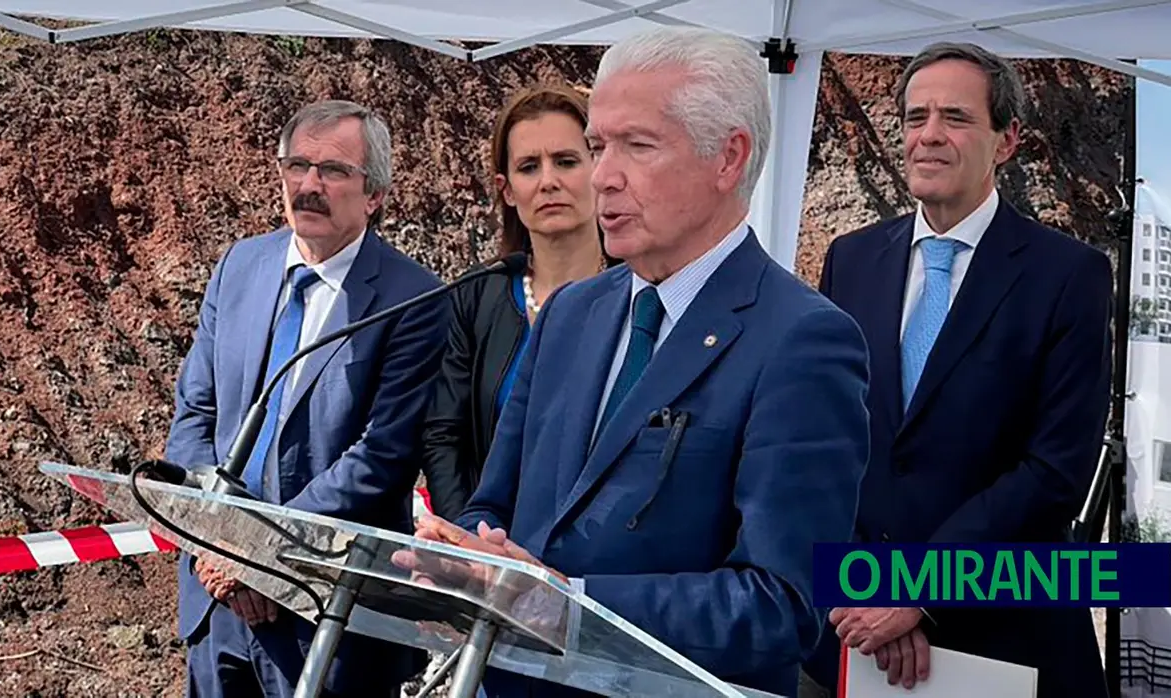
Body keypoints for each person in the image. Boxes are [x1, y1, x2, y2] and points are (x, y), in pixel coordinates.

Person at [405, 26, 871, 698]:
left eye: (638, 146)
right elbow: (496, 504)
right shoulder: (570, 313)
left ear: (728, 158)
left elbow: (782, 604)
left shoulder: (804, 340)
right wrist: (466, 560)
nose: (603, 176)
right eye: (597, 146)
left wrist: (572, 604)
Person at [808, 42, 1112, 697]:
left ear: (1007, 141)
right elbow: (825, 440)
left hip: (1008, 640)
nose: (929, 136)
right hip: (860, 631)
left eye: (955, 117)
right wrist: (875, 590)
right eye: (916, 118)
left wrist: (921, 589)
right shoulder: (851, 261)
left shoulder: (1069, 276)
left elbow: (1053, 471)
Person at [164, 100, 448, 698]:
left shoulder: (415, 299)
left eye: (333, 171)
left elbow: (383, 457)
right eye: (297, 166)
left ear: (374, 195)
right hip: (218, 600)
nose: (309, 185)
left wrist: (262, 555)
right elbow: (196, 413)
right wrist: (220, 548)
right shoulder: (241, 264)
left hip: (329, 613)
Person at [420, 83, 612, 522]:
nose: (549, 181)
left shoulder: (643, 295)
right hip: (486, 552)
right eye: (529, 167)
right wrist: (470, 537)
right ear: (507, 190)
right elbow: (443, 435)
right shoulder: (477, 295)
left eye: (566, 161)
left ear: (598, 169)